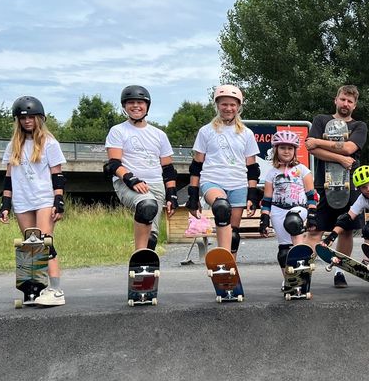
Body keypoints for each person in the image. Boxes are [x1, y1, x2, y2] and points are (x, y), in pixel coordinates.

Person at [0, 95, 67, 305]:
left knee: (45, 242)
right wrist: (5, 204)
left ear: (40, 119)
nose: (27, 121)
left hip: (44, 199)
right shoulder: (13, 146)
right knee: (30, 245)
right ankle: (35, 288)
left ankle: (56, 290)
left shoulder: (49, 143)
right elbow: (9, 178)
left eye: (32, 117)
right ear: (17, 120)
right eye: (23, 118)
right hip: (23, 201)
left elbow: (58, 175)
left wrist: (59, 201)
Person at [185, 85, 261, 255]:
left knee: (233, 233)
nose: (228, 108)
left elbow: (252, 168)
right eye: (224, 104)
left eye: (232, 105)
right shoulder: (206, 131)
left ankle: (230, 268)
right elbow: (196, 166)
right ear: (217, 105)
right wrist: (193, 195)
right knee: (221, 208)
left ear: (239, 107)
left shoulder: (246, 134)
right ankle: (222, 258)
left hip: (238, 183)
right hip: (212, 179)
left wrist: (252, 194)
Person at [305, 85, 368, 288]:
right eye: (342, 99)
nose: (345, 104)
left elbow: (350, 148)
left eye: (350, 101)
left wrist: (319, 141)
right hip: (324, 185)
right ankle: (303, 271)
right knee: (315, 230)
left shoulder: (359, 126)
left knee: (346, 231)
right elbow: (311, 149)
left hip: (350, 186)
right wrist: (341, 159)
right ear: (336, 100)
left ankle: (340, 271)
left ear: (354, 105)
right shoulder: (321, 120)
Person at [104, 85, 178, 251]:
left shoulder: (159, 135)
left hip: (156, 184)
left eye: (140, 102)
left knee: (151, 238)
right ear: (124, 106)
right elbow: (114, 164)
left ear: (147, 106)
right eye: (131, 102)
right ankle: (138, 255)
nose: (136, 106)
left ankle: (147, 267)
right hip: (128, 183)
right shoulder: (118, 131)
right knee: (147, 206)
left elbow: (168, 169)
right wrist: (132, 179)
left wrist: (171, 195)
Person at [258, 130, 317, 273]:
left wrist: (312, 216)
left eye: (290, 148)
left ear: (295, 151)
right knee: (284, 251)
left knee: (293, 222)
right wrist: (264, 219)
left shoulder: (303, 170)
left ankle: (301, 270)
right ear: (276, 149)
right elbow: (267, 199)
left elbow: (311, 195)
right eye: (282, 148)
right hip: (278, 210)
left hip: (298, 208)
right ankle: (289, 280)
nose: (286, 151)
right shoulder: (271, 173)